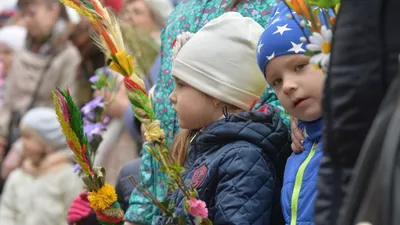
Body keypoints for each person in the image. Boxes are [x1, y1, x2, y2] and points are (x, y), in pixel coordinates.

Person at [125, 0, 290, 223]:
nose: (171, 96)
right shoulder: (205, 147)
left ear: (215, 92)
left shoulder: (242, 160)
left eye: (181, 85)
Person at [256, 2, 326, 224]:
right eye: (276, 81)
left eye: (299, 67)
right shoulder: (298, 150)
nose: (287, 86)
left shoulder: (359, 134)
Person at [0, 0, 81, 157]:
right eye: (25, 15)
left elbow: (64, 113)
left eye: (32, 14)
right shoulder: (22, 50)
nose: (28, 21)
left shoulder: (67, 56)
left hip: (42, 145)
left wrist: (23, 145)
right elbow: (8, 101)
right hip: (11, 134)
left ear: (52, 11)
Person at [0, 107, 82, 225]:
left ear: (48, 142)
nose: (22, 143)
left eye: (28, 137)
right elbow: (6, 214)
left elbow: (73, 218)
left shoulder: (69, 177)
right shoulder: (17, 176)